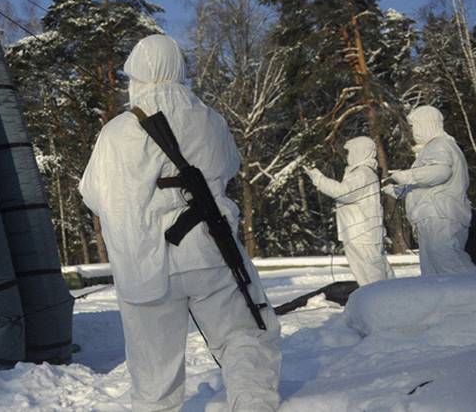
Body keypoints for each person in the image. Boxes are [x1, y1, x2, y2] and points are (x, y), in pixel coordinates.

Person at [81, 34, 281, 412]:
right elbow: (230, 166)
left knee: (153, 374)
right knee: (244, 337)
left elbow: (94, 193)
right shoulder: (211, 120)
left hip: (146, 264)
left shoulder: (117, 131)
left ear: (136, 74)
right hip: (211, 251)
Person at [384, 105, 476, 276]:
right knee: (433, 268)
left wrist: (407, 175)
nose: (411, 131)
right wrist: (398, 190)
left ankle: (470, 290)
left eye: (414, 125)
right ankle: (445, 300)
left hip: (440, 214)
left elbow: (440, 172)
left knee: (448, 260)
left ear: (426, 124)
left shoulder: (440, 145)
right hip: (430, 214)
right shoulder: (433, 148)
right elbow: (424, 185)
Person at [303, 136, 395, 285]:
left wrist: (319, 179)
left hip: (361, 233)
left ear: (360, 152)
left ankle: (381, 303)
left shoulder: (362, 173)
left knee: (371, 277)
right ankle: (393, 299)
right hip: (363, 233)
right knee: (380, 272)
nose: (347, 156)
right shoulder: (365, 172)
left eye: (350, 152)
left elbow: (343, 192)